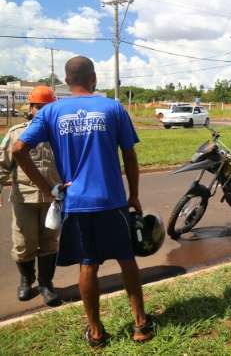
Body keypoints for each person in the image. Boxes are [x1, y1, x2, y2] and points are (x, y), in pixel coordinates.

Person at [12, 56, 155, 347]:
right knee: (127, 260)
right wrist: (135, 195)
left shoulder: (51, 112)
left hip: (76, 203)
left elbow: (18, 149)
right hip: (111, 201)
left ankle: (96, 332)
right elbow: (130, 156)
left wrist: (48, 188)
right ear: (94, 79)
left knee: (88, 265)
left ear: (66, 81)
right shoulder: (113, 108)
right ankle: (141, 325)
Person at [0, 86, 61, 306]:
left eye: (48, 107)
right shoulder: (17, 133)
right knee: (24, 243)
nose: (43, 111)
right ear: (31, 108)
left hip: (53, 201)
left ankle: (46, 283)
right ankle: (26, 280)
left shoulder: (59, 135)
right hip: (24, 199)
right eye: (39, 107)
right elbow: (2, 164)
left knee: (49, 242)